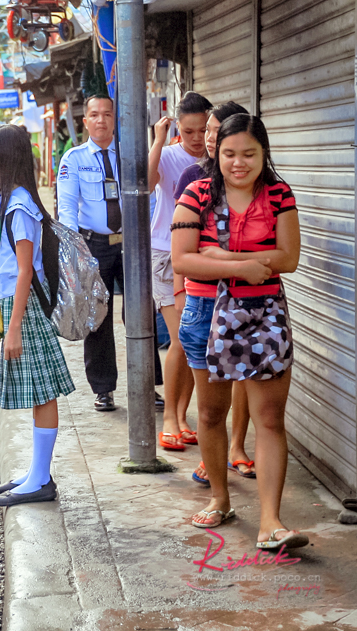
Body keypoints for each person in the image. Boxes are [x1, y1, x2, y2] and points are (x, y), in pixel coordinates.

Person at [171, 114, 306, 549]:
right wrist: (240, 264)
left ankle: (271, 521)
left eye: (249, 154)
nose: (239, 162)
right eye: (229, 153)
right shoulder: (197, 193)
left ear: (264, 153)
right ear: (217, 152)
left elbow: (288, 259)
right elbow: (182, 261)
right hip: (205, 311)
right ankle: (220, 497)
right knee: (210, 414)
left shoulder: (279, 194)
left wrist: (220, 255)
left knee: (269, 419)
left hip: (265, 311)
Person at [0, 118, 75, 506]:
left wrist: (13, 329)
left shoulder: (20, 205)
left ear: (3, 159)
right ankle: (36, 473)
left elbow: (26, 269)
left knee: (42, 390)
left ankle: (41, 479)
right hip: (14, 305)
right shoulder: (1, 195)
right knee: (38, 390)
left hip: (22, 308)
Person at [172, 100, 256, 483]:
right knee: (211, 406)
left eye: (214, 130)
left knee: (244, 381)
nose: (207, 137)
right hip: (203, 302)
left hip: (253, 305)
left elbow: (282, 255)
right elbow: (183, 253)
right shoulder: (194, 181)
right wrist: (182, 287)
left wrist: (220, 256)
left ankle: (236, 446)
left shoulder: (261, 189)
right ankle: (214, 460)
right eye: (206, 130)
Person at [148, 92, 212, 451]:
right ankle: (170, 418)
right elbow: (143, 180)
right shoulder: (170, 155)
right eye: (189, 131)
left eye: (203, 130)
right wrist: (158, 140)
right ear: (177, 126)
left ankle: (183, 416)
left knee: (195, 342)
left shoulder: (219, 159)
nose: (197, 138)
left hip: (203, 257)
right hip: (165, 254)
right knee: (180, 340)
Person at [56, 95, 125, 411]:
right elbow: (67, 206)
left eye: (107, 114)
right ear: (85, 121)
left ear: (115, 118)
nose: (101, 120)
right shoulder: (74, 158)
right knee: (99, 317)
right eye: (94, 115)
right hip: (93, 246)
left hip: (131, 243)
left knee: (140, 313)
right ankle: (103, 389)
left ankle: (147, 385)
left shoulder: (129, 155)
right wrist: (75, 248)